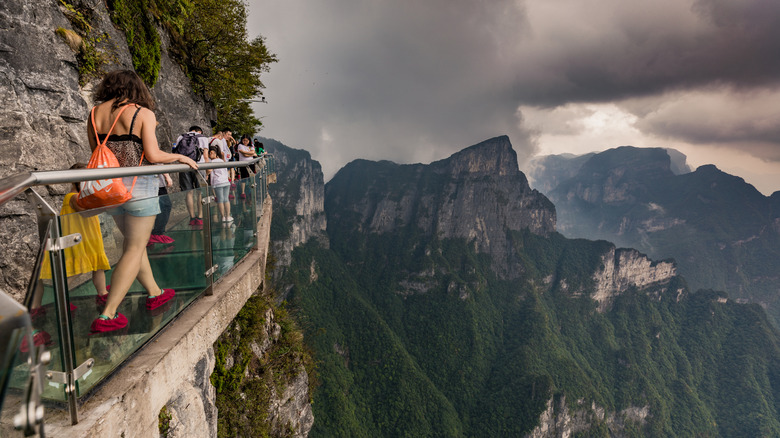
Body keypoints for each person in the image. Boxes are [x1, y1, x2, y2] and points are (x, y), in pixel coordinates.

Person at [86, 69, 198, 334]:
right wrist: (180, 158)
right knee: (134, 248)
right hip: (139, 189)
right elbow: (153, 155)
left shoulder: (94, 114)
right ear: (137, 89)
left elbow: (96, 153)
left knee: (133, 246)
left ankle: (154, 292)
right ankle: (108, 315)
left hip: (109, 189)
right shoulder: (142, 113)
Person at [174, 126, 209, 227]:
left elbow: (177, 154)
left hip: (184, 166)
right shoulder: (202, 137)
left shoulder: (181, 137)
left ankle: (192, 218)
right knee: (200, 192)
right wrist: (207, 171)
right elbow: (205, 155)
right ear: (199, 131)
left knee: (188, 193)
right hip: (199, 165)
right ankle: (200, 218)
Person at [206, 146, 233, 223]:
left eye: (211, 153)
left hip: (218, 182)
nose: (210, 154)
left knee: (220, 200)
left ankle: (223, 217)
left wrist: (207, 174)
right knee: (226, 199)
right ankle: (228, 216)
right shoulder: (222, 160)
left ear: (214, 154)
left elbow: (209, 171)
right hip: (225, 181)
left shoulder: (211, 162)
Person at [148, 173, 174, 246]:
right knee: (165, 206)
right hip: (153, 181)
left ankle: (156, 233)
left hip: (156, 181)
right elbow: (155, 161)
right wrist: (166, 175)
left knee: (165, 206)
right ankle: (156, 234)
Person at [236, 135, 257, 199]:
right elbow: (244, 154)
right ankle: (243, 192)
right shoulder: (240, 146)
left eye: (246, 140)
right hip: (243, 164)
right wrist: (251, 154)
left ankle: (251, 191)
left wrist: (249, 153)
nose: (245, 142)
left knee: (251, 177)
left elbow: (253, 152)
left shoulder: (251, 145)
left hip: (251, 163)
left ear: (249, 140)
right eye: (243, 140)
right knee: (243, 178)